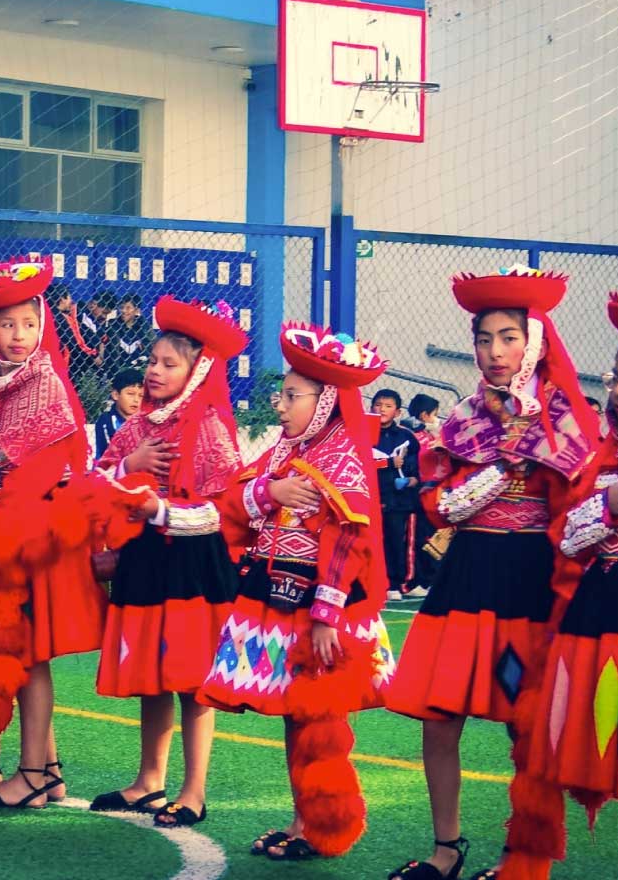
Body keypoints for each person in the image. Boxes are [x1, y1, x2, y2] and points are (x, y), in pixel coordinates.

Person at [384, 267, 599, 880]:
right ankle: (446, 848)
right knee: (439, 716)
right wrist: (504, 467)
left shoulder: (564, 418)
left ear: (532, 343)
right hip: (466, 574)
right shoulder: (463, 418)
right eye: (483, 339)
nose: (494, 352)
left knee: (526, 725)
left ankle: (524, 858)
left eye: (508, 338)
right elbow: (439, 506)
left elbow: (577, 514)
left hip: (531, 580)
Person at [198, 323, 396, 861]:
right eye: (281, 396)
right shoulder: (286, 451)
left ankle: (325, 826)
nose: (281, 407)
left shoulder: (342, 457)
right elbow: (235, 499)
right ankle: (302, 818)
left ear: (325, 399)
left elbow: (350, 538)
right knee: (295, 712)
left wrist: (327, 615)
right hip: (276, 594)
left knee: (319, 718)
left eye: (292, 396)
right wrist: (272, 491)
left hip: (317, 607)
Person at [0, 259, 125, 810]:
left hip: (35, 531)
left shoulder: (44, 382)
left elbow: (48, 467)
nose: (18, 335)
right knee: (24, 651)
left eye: (28, 323)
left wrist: (4, 519)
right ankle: (47, 769)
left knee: (28, 653)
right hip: (10, 526)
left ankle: (32, 775)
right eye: (6, 325)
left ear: (43, 322)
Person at [509, 289, 618, 880]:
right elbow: (567, 538)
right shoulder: (601, 453)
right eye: (616, 378)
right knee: (594, 740)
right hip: (597, 615)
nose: (617, 391)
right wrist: (607, 505)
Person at [91, 297, 245, 829]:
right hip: (146, 561)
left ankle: (193, 790)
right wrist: (129, 467)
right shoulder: (137, 426)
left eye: (169, 364)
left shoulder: (210, 427)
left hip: (192, 565)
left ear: (197, 370)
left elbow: (225, 510)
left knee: (191, 678)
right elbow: (96, 479)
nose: (154, 371)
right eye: (153, 361)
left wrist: (160, 511)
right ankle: (148, 781)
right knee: (152, 673)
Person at [372, 388, 422, 601]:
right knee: (374, 542)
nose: (382, 409)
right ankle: (378, 583)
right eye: (378, 405)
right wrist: (387, 463)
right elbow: (360, 462)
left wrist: (413, 479)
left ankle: (400, 582)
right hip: (371, 497)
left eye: (388, 406)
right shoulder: (362, 433)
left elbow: (416, 467)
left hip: (399, 500)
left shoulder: (406, 436)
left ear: (398, 412)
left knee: (397, 541)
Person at [404, 392, 444, 595]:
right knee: (420, 537)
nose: (436, 418)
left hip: (434, 494)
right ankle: (419, 580)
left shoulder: (433, 435)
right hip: (420, 494)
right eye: (435, 413)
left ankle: (429, 579)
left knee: (431, 537)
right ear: (424, 415)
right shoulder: (416, 437)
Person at [94, 368, 145, 460]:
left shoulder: (145, 421)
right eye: (130, 394)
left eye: (141, 396)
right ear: (116, 395)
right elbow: (106, 455)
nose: (136, 400)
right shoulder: (106, 421)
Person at [50, 283, 99, 379]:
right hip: (65, 364)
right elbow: (76, 342)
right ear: (62, 299)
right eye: (69, 298)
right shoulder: (62, 319)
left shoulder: (50, 314)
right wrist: (94, 356)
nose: (71, 301)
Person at [103, 293, 153, 370]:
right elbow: (112, 351)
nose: (123, 311)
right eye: (122, 307)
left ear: (136, 310)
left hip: (138, 368)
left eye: (128, 308)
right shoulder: (113, 325)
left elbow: (151, 345)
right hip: (117, 368)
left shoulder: (143, 325)